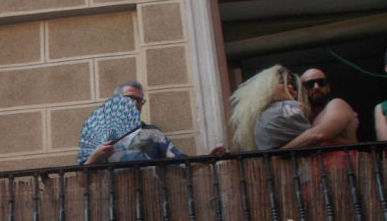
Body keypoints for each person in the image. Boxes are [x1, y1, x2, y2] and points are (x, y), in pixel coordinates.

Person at [78, 81, 224, 165]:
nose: (135, 103)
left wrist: (209, 158)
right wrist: (95, 156)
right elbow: (81, 181)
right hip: (110, 207)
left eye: (139, 100)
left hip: (149, 204)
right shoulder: (98, 136)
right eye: (129, 98)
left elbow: (181, 163)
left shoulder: (152, 133)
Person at [229, 65, 309, 151]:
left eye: (292, 84)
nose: (290, 87)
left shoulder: (257, 118)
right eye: (283, 81)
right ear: (269, 85)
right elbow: (312, 136)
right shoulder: (288, 107)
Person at [279, 68, 360, 149]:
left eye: (321, 82)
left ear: (328, 87)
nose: (316, 87)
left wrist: (280, 153)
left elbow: (320, 134)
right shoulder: (302, 115)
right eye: (309, 84)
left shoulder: (338, 104)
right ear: (301, 90)